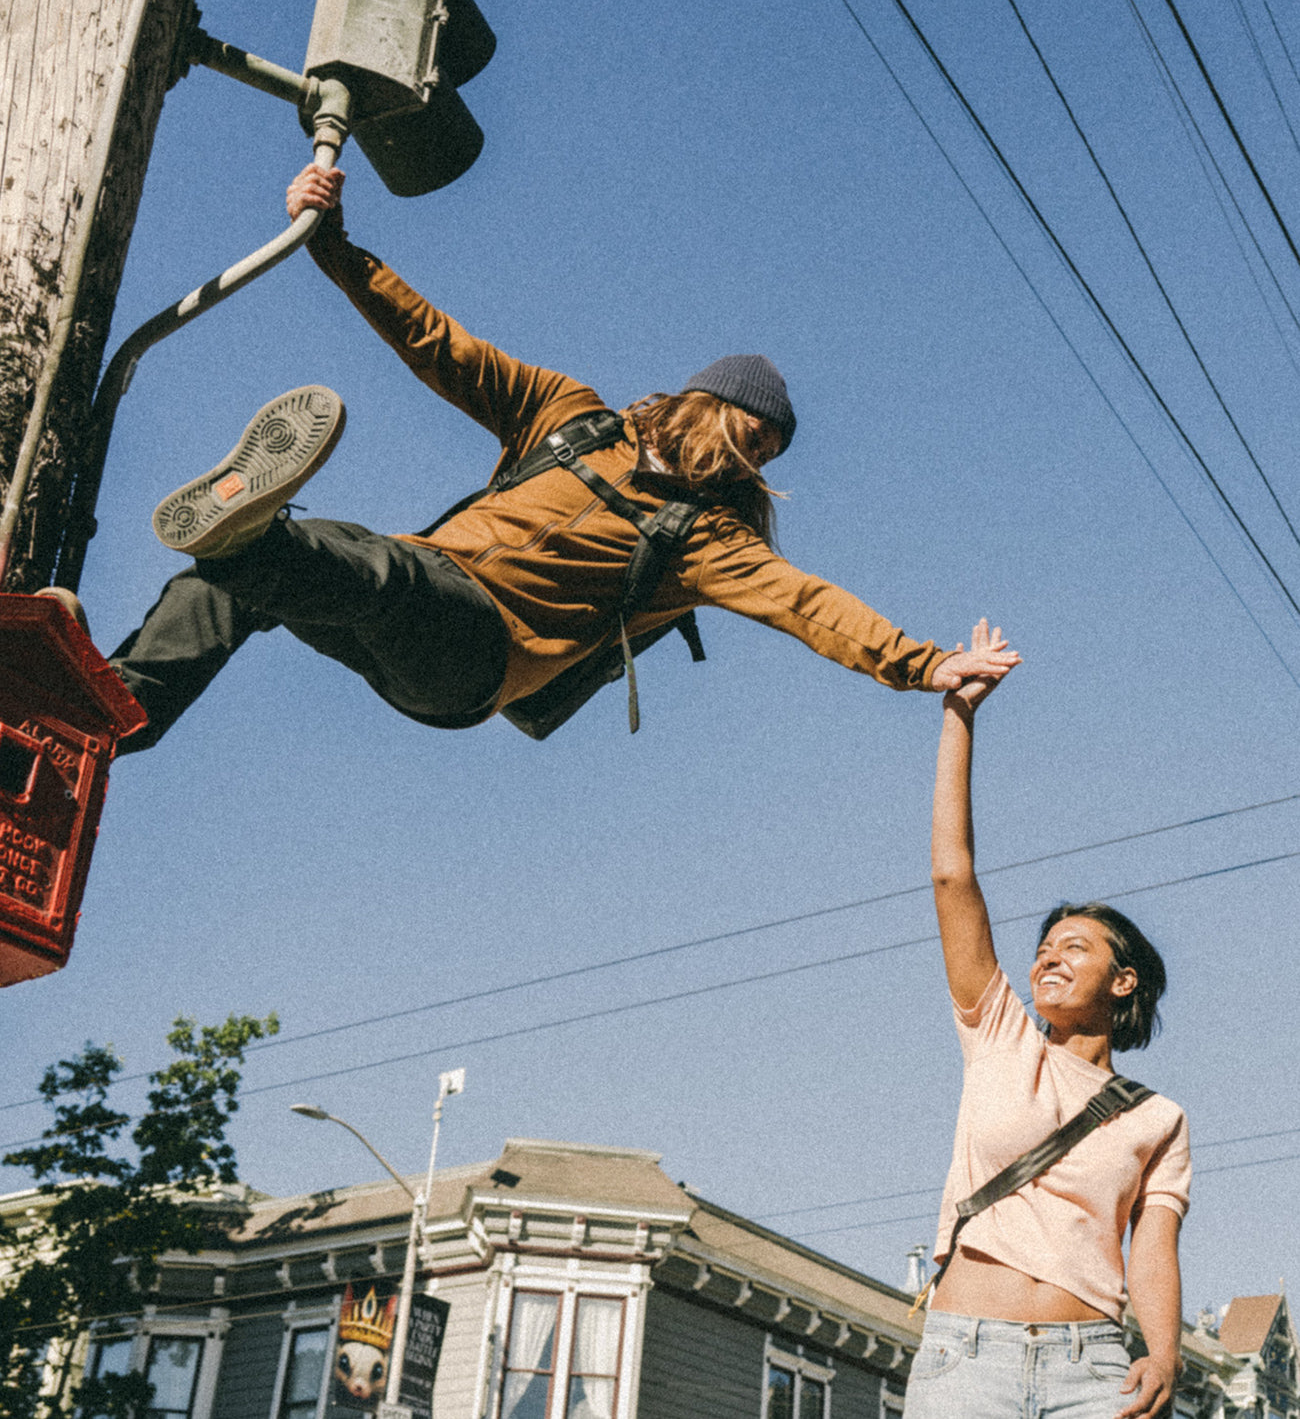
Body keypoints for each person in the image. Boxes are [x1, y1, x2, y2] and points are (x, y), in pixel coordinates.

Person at [97, 165, 1020, 753]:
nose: (748, 464)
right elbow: (441, 347)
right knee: (226, 582)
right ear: (704, 408)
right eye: (747, 439)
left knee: (375, 569)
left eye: (764, 458)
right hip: (411, 601)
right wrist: (335, 250)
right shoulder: (569, 415)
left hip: (476, 655)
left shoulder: (704, 540)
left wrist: (922, 662)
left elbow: (806, 602)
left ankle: (254, 533)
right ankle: (112, 713)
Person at [906, 621, 1189, 1419]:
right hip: (966, 1358)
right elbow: (950, 874)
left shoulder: (1160, 1120)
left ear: (1122, 979)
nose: (1046, 959)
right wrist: (959, 716)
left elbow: (1154, 1250)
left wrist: (1161, 1355)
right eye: (1041, 949)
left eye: (1074, 946)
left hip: (1091, 1370)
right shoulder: (999, 1033)